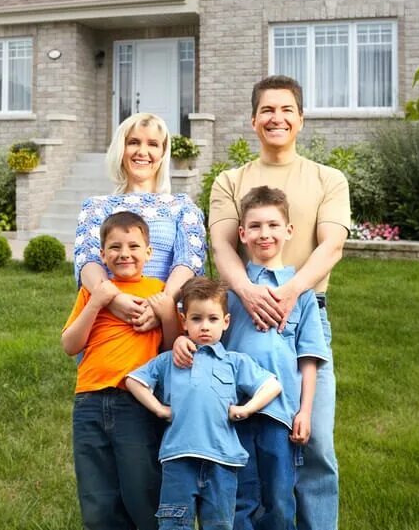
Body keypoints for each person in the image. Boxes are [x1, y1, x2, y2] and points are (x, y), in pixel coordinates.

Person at [175, 75, 349, 530]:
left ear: (301, 118)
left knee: (314, 444)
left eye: (287, 109)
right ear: (253, 120)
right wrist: (249, 294)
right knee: (240, 437)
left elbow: (330, 246)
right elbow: (222, 246)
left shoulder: (328, 179)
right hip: (241, 322)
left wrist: (290, 294)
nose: (277, 118)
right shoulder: (230, 180)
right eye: (268, 110)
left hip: (306, 317)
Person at [126, 277, 281, 530]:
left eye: (213, 319)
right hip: (178, 458)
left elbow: (271, 385)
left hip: (222, 461)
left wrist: (246, 409)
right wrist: (158, 408)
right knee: (173, 524)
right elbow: (134, 380)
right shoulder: (170, 361)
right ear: (184, 321)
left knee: (218, 525)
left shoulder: (234, 362)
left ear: (226, 322)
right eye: (196, 319)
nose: (205, 326)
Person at [222, 186, 329, 530]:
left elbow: (308, 359)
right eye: (254, 226)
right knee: (239, 498)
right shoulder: (230, 294)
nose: (264, 234)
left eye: (272, 225)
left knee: (281, 500)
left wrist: (306, 411)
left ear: (289, 231)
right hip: (233, 413)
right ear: (242, 234)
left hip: (281, 415)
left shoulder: (302, 295)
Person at [62, 211, 176, 530]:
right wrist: (96, 303)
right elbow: (70, 345)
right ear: (102, 255)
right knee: (98, 497)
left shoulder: (158, 290)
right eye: (114, 247)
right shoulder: (94, 292)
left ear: (149, 252)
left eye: (133, 246)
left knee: (142, 489)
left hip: (136, 404)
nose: (124, 253)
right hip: (89, 401)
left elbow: (170, 353)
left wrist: (167, 315)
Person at [74, 112, 206, 342]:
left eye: (153, 144)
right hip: (110, 326)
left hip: (167, 326)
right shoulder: (96, 207)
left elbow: (188, 262)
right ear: (120, 149)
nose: (142, 152)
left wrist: (160, 307)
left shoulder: (182, 207)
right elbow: (88, 261)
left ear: (163, 153)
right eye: (133, 142)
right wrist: (115, 301)